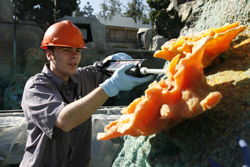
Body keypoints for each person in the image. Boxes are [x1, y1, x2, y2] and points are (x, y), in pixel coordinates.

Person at [20, 20, 153, 167]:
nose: (74, 56)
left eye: (78, 50)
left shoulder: (80, 77)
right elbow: (64, 120)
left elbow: (99, 67)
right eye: (66, 50)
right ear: (49, 54)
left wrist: (115, 61)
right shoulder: (36, 87)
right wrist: (110, 86)